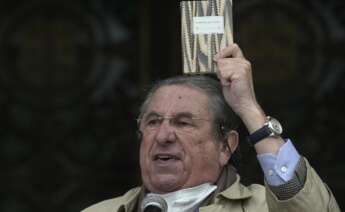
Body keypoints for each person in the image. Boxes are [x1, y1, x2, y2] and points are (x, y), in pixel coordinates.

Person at [82, 44, 340, 212]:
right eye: (153, 122)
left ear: (226, 146)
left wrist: (249, 108)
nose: (163, 136)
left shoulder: (263, 208)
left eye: (183, 123)